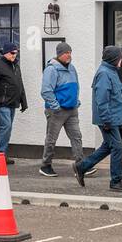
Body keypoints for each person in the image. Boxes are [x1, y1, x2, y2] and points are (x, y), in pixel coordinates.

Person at [73, 45, 122, 192]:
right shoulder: (104, 74)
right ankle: (115, 181)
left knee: (108, 147)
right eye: (120, 58)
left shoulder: (111, 72)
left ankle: (81, 167)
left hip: (111, 118)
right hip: (108, 119)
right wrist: (107, 120)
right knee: (118, 147)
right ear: (114, 59)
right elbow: (102, 100)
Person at [40, 41, 86, 178]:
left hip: (72, 110)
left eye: (70, 52)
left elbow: (75, 86)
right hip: (57, 111)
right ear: (59, 54)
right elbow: (46, 91)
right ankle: (45, 165)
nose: (69, 55)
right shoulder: (51, 69)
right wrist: (56, 106)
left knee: (77, 137)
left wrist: (76, 101)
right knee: (51, 139)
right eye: (66, 53)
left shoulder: (72, 68)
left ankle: (81, 165)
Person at [0, 40, 28, 165]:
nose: (15, 55)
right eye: (12, 53)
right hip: (2, 103)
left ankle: (2, 154)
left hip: (12, 102)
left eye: (16, 53)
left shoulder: (15, 65)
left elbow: (19, 83)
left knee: (8, 128)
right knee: (6, 127)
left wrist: (23, 101)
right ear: (6, 52)